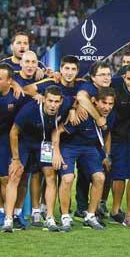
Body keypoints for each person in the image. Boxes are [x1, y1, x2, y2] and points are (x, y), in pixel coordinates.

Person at [3, 86, 71, 232]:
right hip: (25, 142)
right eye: (50, 101)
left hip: (44, 143)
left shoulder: (66, 104)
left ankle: (50, 218)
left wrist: (73, 110)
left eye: (56, 102)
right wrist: (15, 159)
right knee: (15, 176)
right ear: (44, 99)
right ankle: (8, 220)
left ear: (61, 102)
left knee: (50, 176)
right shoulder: (29, 110)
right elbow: (13, 133)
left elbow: (77, 101)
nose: (53, 105)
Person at [53, 87, 116, 232]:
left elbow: (107, 134)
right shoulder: (83, 114)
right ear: (95, 102)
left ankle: (91, 216)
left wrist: (107, 155)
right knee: (68, 178)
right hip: (70, 146)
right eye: (104, 103)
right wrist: (56, 152)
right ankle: (65, 217)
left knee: (100, 177)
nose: (107, 107)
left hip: (89, 148)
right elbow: (58, 131)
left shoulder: (111, 116)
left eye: (110, 104)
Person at [108, 65, 130, 228]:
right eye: (128, 79)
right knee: (119, 175)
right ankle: (115, 211)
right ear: (124, 77)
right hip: (117, 136)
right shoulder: (114, 83)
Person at [0, 64, 28, 225]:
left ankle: (6, 212)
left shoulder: (17, 97)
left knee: (5, 178)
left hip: (6, 139)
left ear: (10, 81)